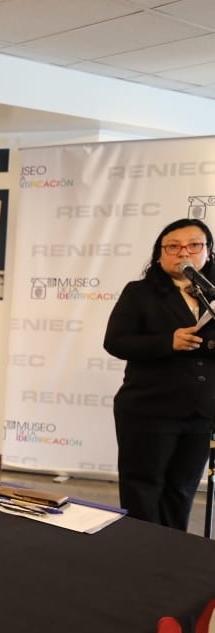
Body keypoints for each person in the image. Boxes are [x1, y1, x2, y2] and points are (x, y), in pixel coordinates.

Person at [104, 217, 215, 531]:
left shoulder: (212, 293)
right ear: (159, 255)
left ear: (208, 251)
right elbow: (115, 341)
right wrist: (169, 341)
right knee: (143, 488)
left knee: (181, 489)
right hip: (149, 409)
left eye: (194, 245)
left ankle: (172, 555)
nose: (184, 253)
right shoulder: (141, 292)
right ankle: (142, 557)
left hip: (201, 411)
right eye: (173, 247)